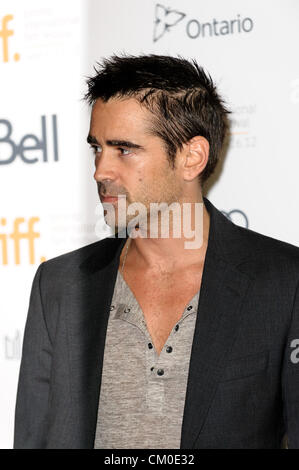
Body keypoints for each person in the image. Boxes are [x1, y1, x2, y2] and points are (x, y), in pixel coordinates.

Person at [14, 54, 299, 449]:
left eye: (124, 149)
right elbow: (34, 437)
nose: (100, 170)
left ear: (191, 158)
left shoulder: (285, 281)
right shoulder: (61, 284)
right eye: (97, 148)